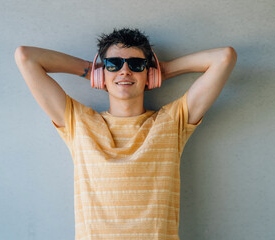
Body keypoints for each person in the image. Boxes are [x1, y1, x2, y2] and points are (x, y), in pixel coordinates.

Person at [15, 28, 237, 240]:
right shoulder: (79, 124)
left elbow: (224, 58)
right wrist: (92, 72)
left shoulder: (171, 122)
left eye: (136, 64)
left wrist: (162, 72)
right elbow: (26, 57)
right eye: (114, 64)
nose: (125, 71)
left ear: (148, 72)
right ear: (103, 71)